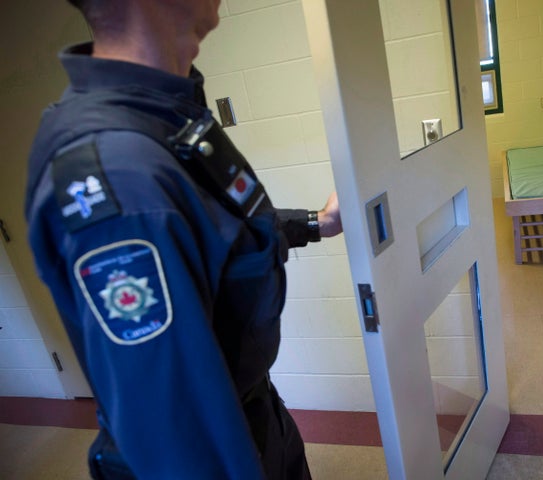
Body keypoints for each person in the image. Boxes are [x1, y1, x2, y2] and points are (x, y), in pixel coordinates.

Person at [24, 0, 342, 478]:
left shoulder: (165, 114)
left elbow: (227, 236)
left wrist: (318, 222)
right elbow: (177, 436)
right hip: (223, 446)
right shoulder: (120, 175)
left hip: (256, 415)